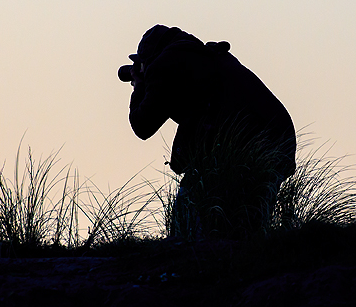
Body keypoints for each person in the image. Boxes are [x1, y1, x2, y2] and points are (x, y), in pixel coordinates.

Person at [119, 25, 296, 238]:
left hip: (246, 144)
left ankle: (193, 262)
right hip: (277, 141)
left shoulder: (164, 66)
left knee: (188, 218)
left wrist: (139, 85)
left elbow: (143, 126)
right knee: (247, 226)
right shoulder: (205, 57)